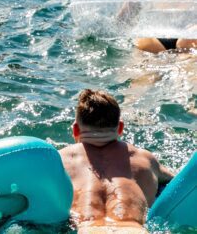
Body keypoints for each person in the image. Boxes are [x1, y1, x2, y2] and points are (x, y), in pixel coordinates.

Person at [60, 89, 174, 233]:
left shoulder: (61, 160)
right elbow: (180, 182)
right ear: (120, 128)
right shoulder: (145, 159)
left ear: (75, 130)